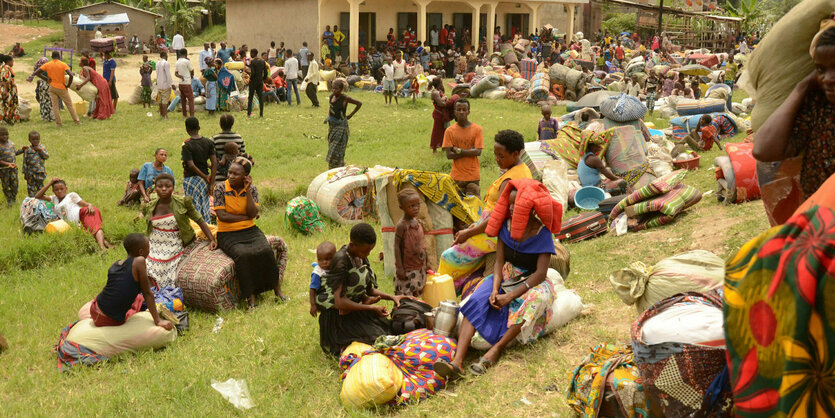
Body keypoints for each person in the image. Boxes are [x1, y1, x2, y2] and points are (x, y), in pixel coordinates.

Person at [434, 179, 562, 378]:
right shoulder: (505, 224)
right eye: (508, 204)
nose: (510, 209)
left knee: (535, 301)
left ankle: (496, 349)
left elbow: (540, 274)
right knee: (476, 299)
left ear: (529, 207)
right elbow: (499, 261)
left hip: (532, 281)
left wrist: (510, 297)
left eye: (515, 205)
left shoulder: (542, 232)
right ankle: (457, 361)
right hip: (507, 274)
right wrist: (495, 289)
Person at [438, 130, 533, 293]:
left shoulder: (511, 180)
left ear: (515, 153)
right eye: (495, 154)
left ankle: (442, 293)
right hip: (489, 226)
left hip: (495, 233)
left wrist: (469, 233)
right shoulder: (522, 170)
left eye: (501, 156)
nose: (497, 159)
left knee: (448, 257)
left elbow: (499, 217)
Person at [755, 24, 835, 208]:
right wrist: (802, 87)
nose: (829, 78)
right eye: (821, 70)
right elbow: (763, 150)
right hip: (819, 219)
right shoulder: (818, 107)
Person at [315, 223, 407, 356]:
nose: (367, 254)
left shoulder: (361, 256)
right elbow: (340, 302)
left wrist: (393, 297)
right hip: (338, 318)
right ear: (352, 245)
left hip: (355, 309)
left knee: (390, 331)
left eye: (370, 251)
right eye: (365, 251)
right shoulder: (340, 261)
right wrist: (371, 308)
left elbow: (369, 290)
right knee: (377, 340)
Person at [214, 158, 285, 308]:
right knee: (243, 255)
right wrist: (245, 217)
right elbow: (222, 216)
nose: (231, 176)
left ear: (246, 177)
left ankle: (277, 290)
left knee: (266, 250)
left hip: (249, 230)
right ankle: (250, 297)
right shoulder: (220, 188)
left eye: (236, 174)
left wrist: (246, 190)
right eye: (230, 172)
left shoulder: (252, 189)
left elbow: (252, 212)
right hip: (227, 233)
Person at [82, 234, 174, 329]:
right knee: (139, 301)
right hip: (107, 319)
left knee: (138, 298)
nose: (149, 251)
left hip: (95, 308)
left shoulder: (115, 265)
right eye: (148, 248)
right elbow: (147, 293)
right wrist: (158, 320)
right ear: (141, 252)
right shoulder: (139, 261)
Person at [143, 173, 216, 288]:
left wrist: (211, 239)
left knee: (163, 263)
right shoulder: (150, 206)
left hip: (174, 242)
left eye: (168, 186)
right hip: (154, 242)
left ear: (173, 188)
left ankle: (164, 291)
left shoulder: (182, 202)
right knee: (145, 264)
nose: (163, 189)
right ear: (155, 188)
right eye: (160, 186)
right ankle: (151, 292)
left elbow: (199, 220)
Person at [34, 177, 112, 251]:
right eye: (56, 190)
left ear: (66, 189)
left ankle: (102, 248)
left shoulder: (71, 195)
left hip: (83, 214)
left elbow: (86, 204)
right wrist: (50, 183)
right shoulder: (54, 198)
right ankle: (106, 244)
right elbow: (38, 196)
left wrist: (90, 205)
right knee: (91, 232)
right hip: (73, 224)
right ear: (53, 191)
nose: (60, 191)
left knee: (95, 229)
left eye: (62, 189)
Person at [181, 117, 217, 222]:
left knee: (193, 206)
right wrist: (211, 182)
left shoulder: (187, 145)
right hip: (204, 180)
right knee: (204, 204)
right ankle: (207, 226)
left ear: (187, 130)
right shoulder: (208, 142)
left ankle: (196, 229)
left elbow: (191, 165)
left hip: (191, 179)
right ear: (199, 127)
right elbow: (214, 163)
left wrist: (205, 177)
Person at [443, 99, 483, 195]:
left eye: (464, 110)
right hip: (456, 176)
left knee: (474, 206)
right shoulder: (449, 131)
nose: (461, 112)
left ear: (468, 111)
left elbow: (478, 152)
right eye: (458, 109)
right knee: (458, 207)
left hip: (473, 176)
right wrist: (470, 151)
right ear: (454, 112)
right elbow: (449, 155)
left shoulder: (477, 129)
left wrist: (458, 150)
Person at [394, 189, 427, 297]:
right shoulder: (402, 226)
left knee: (418, 292)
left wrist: (427, 263)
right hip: (407, 269)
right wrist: (399, 267)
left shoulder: (418, 223)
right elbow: (397, 246)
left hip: (419, 267)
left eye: (417, 205)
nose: (416, 208)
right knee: (406, 295)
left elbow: (422, 244)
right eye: (411, 206)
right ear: (401, 207)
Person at [326, 79, 362, 169]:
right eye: (333, 88)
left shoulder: (345, 98)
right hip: (332, 126)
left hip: (341, 126)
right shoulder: (331, 97)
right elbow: (331, 108)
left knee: (336, 149)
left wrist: (350, 115)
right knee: (331, 145)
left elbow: (359, 104)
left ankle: (336, 166)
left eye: (337, 89)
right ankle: (339, 165)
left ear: (341, 89)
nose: (334, 91)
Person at [16, 131, 48, 197]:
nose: (36, 141)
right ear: (29, 140)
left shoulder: (42, 148)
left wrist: (40, 151)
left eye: (37, 139)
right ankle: (32, 202)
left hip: (40, 172)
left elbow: (46, 157)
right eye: (33, 139)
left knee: (41, 188)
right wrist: (25, 172)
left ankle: (42, 201)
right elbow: (25, 161)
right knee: (31, 189)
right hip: (30, 173)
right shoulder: (28, 149)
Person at [309, 241, 335, 317]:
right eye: (320, 260)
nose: (324, 262)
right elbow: (312, 289)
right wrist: (313, 305)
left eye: (327, 259)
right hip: (323, 295)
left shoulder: (337, 266)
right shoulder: (317, 273)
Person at [26, 57, 54, 122]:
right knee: (50, 102)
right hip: (49, 86)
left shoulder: (41, 69)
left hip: (42, 86)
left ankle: (45, 117)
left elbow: (36, 73)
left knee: (43, 102)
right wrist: (47, 79)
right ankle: (52, 117)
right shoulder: (47, 69)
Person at [429, 77, 449, 151]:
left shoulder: (439, 91)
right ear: (439, 83)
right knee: (437, 131)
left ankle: (443, 145)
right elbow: (440, 103)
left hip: (442, 113)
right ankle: (434, 147)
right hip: (438, 114)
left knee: (443, 131)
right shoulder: (435, 93)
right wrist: (445, 99)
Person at [247, 49, 267, 117]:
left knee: (250, 98)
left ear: (253, 53)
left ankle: (249, 113)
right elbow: (266, 73)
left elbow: (253, 73)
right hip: (260, 82)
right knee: (260, 97)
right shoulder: (262, 61)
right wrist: (262, 79)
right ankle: (261, 114)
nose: (250, 54)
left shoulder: (252, 62)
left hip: (253, 82)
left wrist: (250, 80)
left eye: (251, 53)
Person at [0, 127, 17, 206]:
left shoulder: (11, 143)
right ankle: (9, 199)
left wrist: (22, 150)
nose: (5, 137)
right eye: (2, 135)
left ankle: (14, 198)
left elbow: (14, 153)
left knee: (15, 184)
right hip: (4, 170)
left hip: (13, 169)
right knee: (6, 185)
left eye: (6, 135)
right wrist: (8, 164)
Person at [175, 48, 195, 118]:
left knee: (183, 99)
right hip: (187, 83)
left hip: (181, 83)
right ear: (186, 54)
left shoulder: (177, 62)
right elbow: (192, 70)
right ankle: (192, 115)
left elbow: (176, 74)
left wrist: (181, 76)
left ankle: (184, 114)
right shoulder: (186, 61)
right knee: (190, 99)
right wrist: (192, 75)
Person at [0, 54, 19, 125]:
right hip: (7, 89)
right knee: (7, 105)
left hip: (9, 89)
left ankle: (9, 119)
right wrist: (5, 91)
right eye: (12, 61)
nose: (13, 63)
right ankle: (7, 120)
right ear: (9, 61)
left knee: (9, 105)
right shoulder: (6, 68)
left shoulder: (5, 68)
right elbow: (5, 81)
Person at [156, 51, 174, 119]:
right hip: (165, 84)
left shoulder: (157, 63)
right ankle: (165, 115)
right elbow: (168, 74)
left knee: (160, 100)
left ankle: (161, 114)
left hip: (159, 84)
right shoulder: (166, 63)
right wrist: (172, 84)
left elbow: (157, 74)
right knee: (165, 101)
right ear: (165, 55)